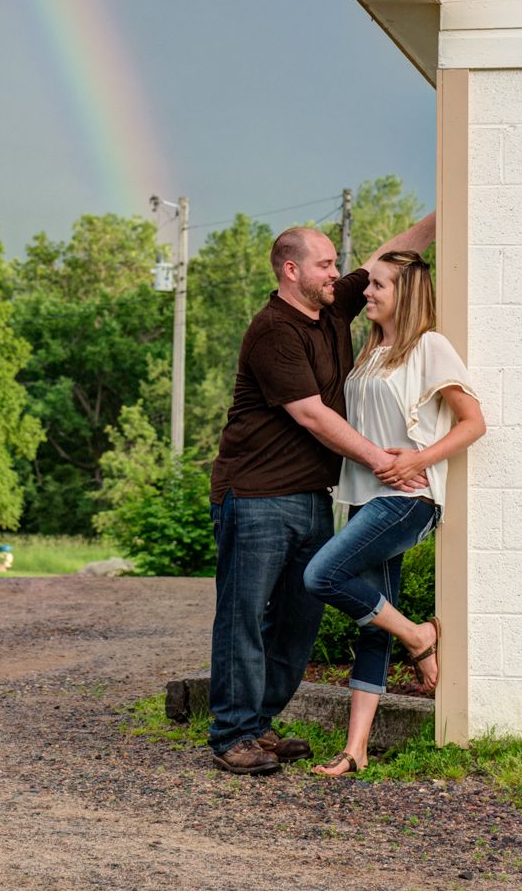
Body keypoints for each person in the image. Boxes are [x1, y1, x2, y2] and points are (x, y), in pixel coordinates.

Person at [207, 213, 436, 775]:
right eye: (326, 264)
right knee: (244, 616)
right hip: (256, 494)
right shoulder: (273, 330)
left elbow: (388, 253)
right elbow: (310, 413)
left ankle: (259, 727)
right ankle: (232, 733)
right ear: (292, 270)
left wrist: (448, 205)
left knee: (299, 617)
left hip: (312, 494)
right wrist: (384, 461)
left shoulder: (332, 306)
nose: (339, 272)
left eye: (336, 263)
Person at [302, 250, 486, 778]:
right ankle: (356, 748)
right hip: (365, 497)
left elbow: (473, 422)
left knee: (322, 575)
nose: (367, 292)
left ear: (404, 292)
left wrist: (421, 459)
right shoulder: (372, 350)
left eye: (378, 285)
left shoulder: (429, 348)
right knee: (372, 621)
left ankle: (417, 636)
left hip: (408, 499)